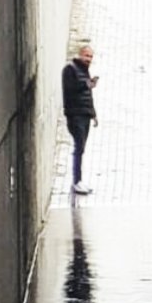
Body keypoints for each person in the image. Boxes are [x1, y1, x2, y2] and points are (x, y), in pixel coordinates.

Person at [62, 45, 99, 194]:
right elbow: (70, 88)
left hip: (85, 115)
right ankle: (76, 181)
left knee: (81, 148)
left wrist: (93, 114)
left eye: (90, 57)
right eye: (86, 55)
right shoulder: (70, 69)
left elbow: (88, 97)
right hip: (75, 114)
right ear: (79, 55)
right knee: (79, 147)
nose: (88, 59)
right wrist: (86, 84)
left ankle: (79, 180)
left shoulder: (84, 71)